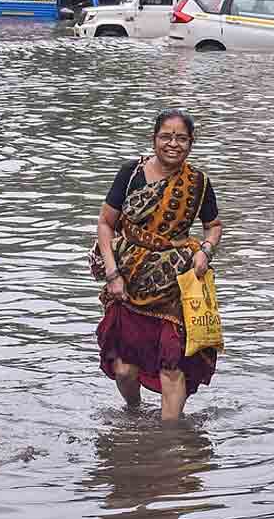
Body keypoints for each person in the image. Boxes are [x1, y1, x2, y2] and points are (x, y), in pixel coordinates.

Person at [93, 109, 223, 421]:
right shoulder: (130, 174)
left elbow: (213, 226)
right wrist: (112, 274)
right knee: (124, 369)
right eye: (166, 137)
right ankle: (134, 415)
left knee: (172, 366)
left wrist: (206, 251)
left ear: (191, 143)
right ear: (154, 139)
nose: (173, 144)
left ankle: (170, 439)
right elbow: (105, 223)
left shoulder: (198, 183)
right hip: (129, 281)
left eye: (181, 138)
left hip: (175, 284)